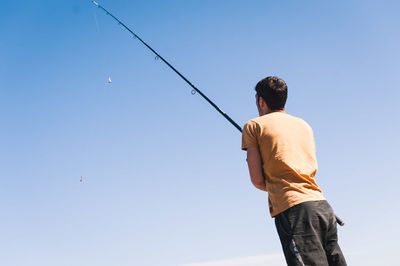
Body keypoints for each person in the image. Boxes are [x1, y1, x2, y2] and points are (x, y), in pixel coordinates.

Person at [241, 76, 346, 266]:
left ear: (261, 100)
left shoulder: (253, 126)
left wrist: (277, 183)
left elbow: (257, 180)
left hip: (294, 211)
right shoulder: (303, 125)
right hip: (322, 208)